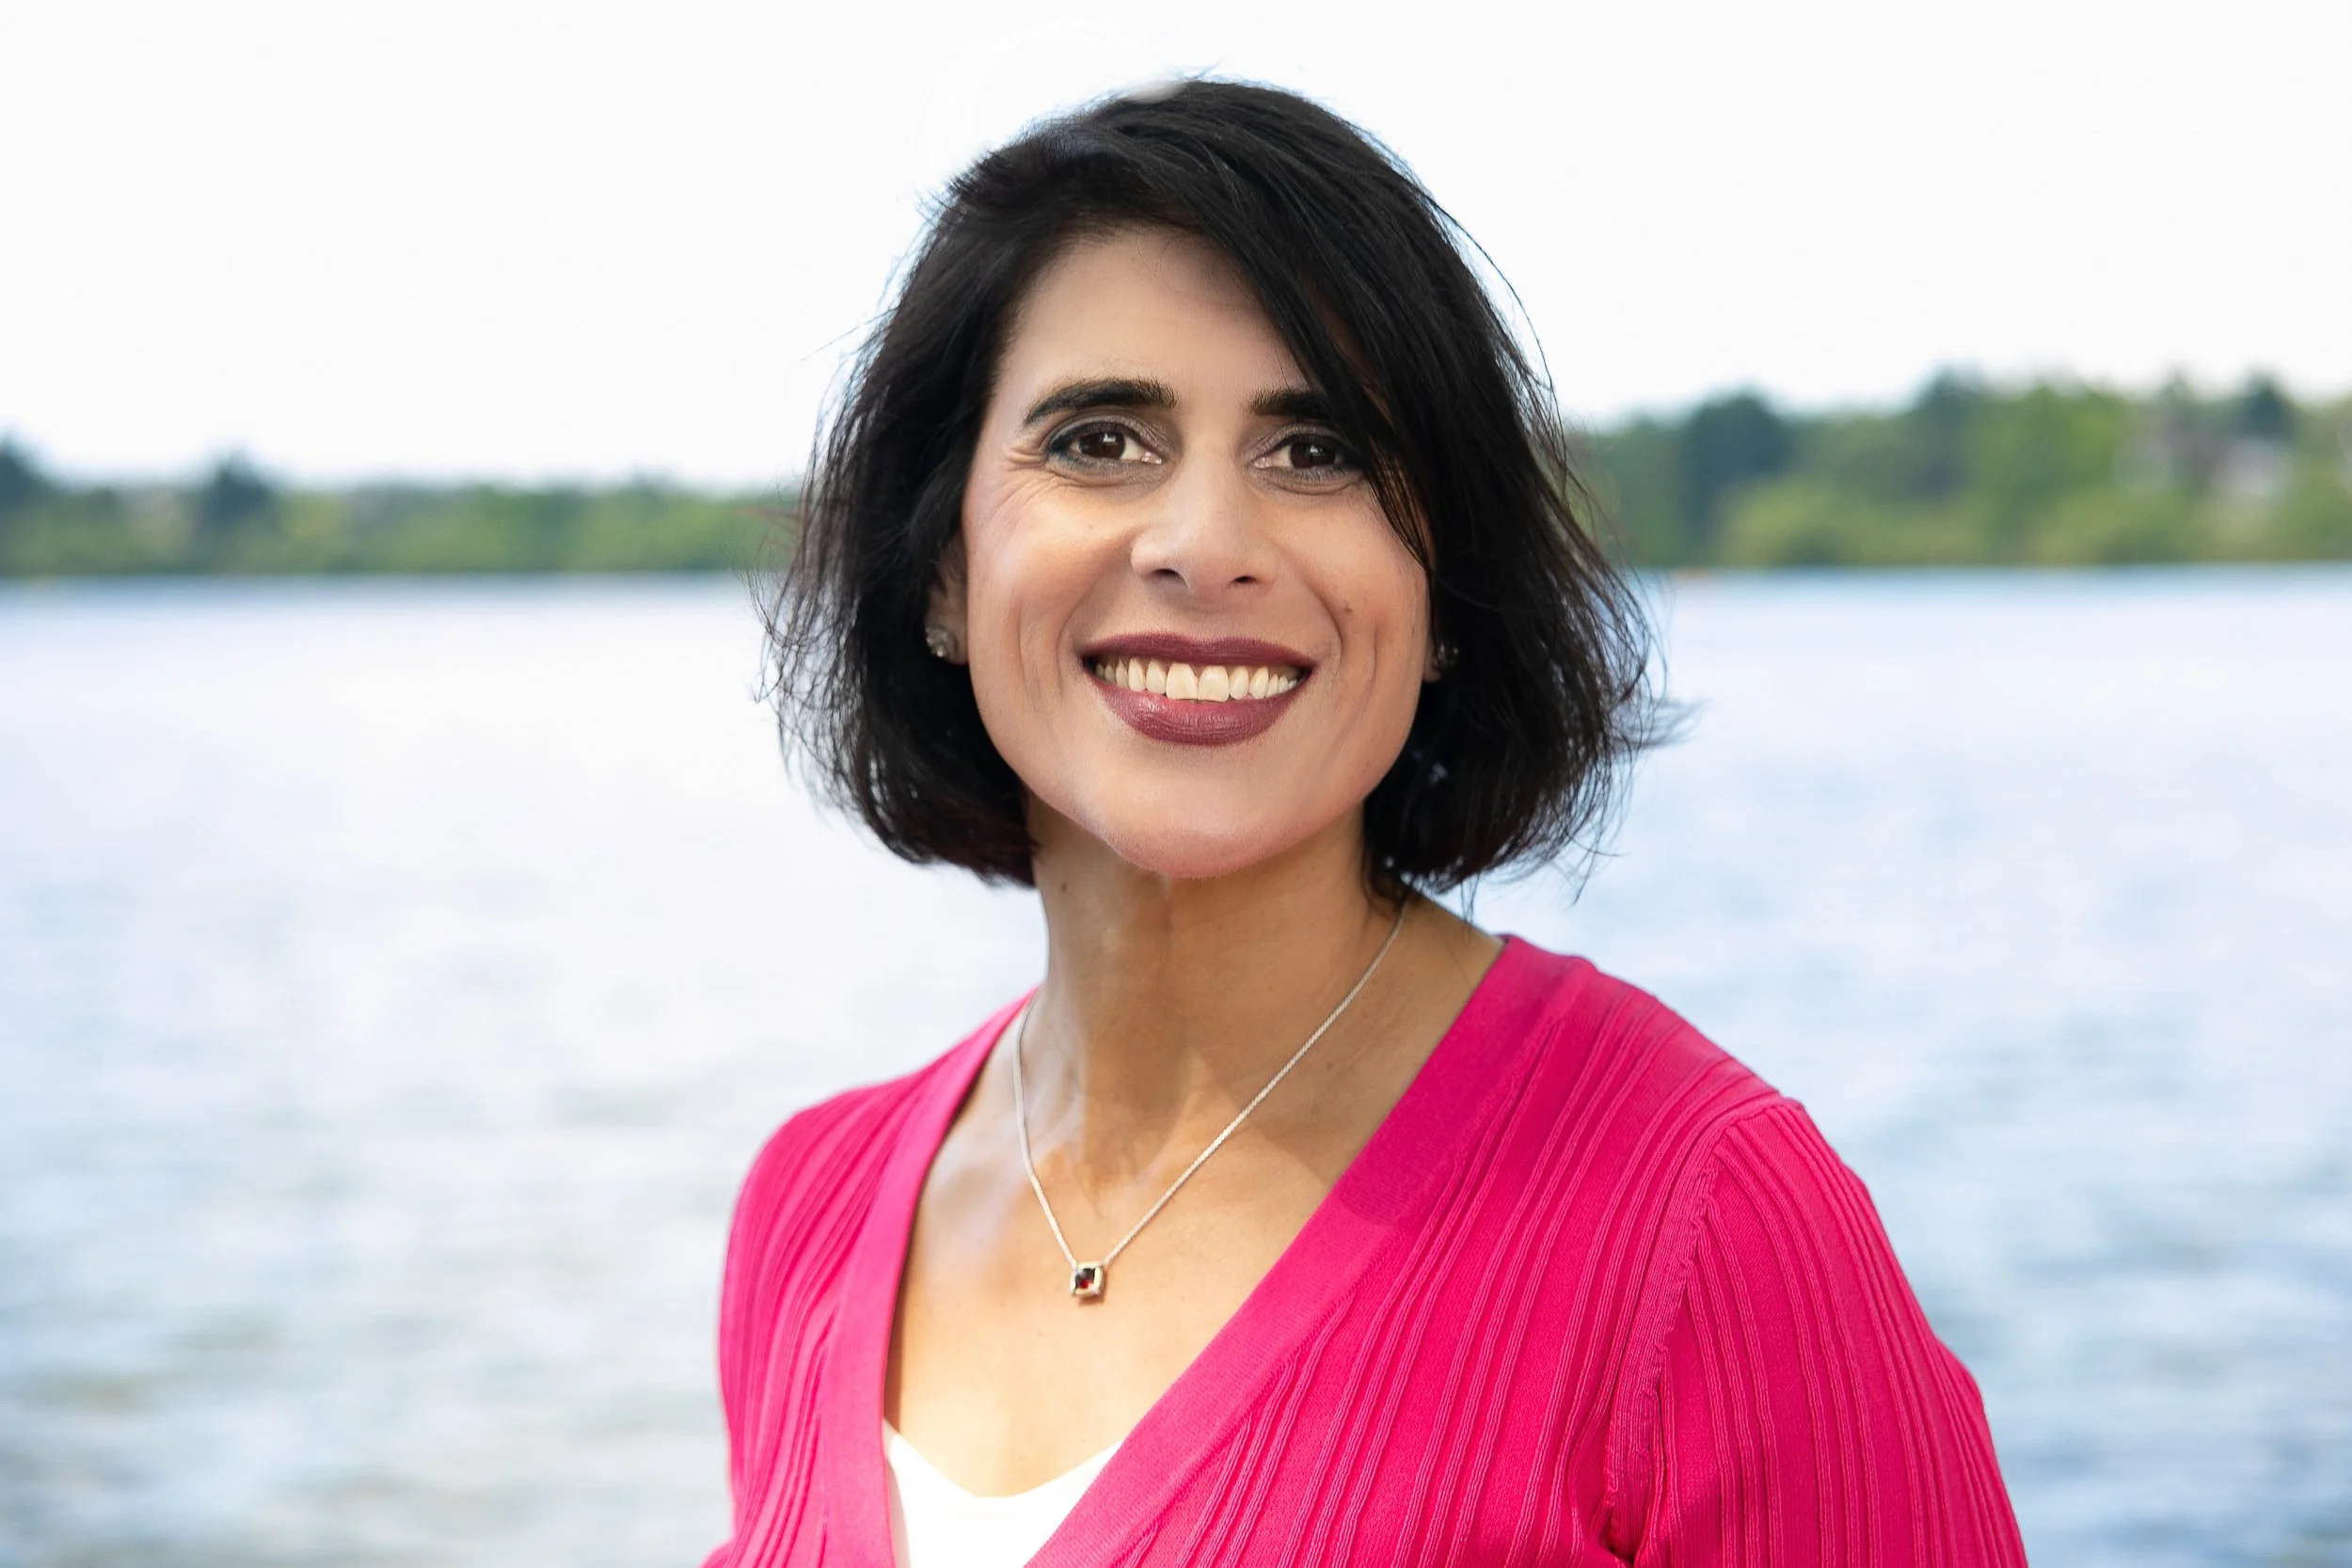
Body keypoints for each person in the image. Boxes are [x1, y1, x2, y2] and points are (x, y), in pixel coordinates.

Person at [708, 81, 2025, 1567]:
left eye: (1317, 450)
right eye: (1097, 440)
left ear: (1445, 592)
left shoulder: (1706, 1223)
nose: (1203, 546)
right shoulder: (806, 1213)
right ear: (940, 568)